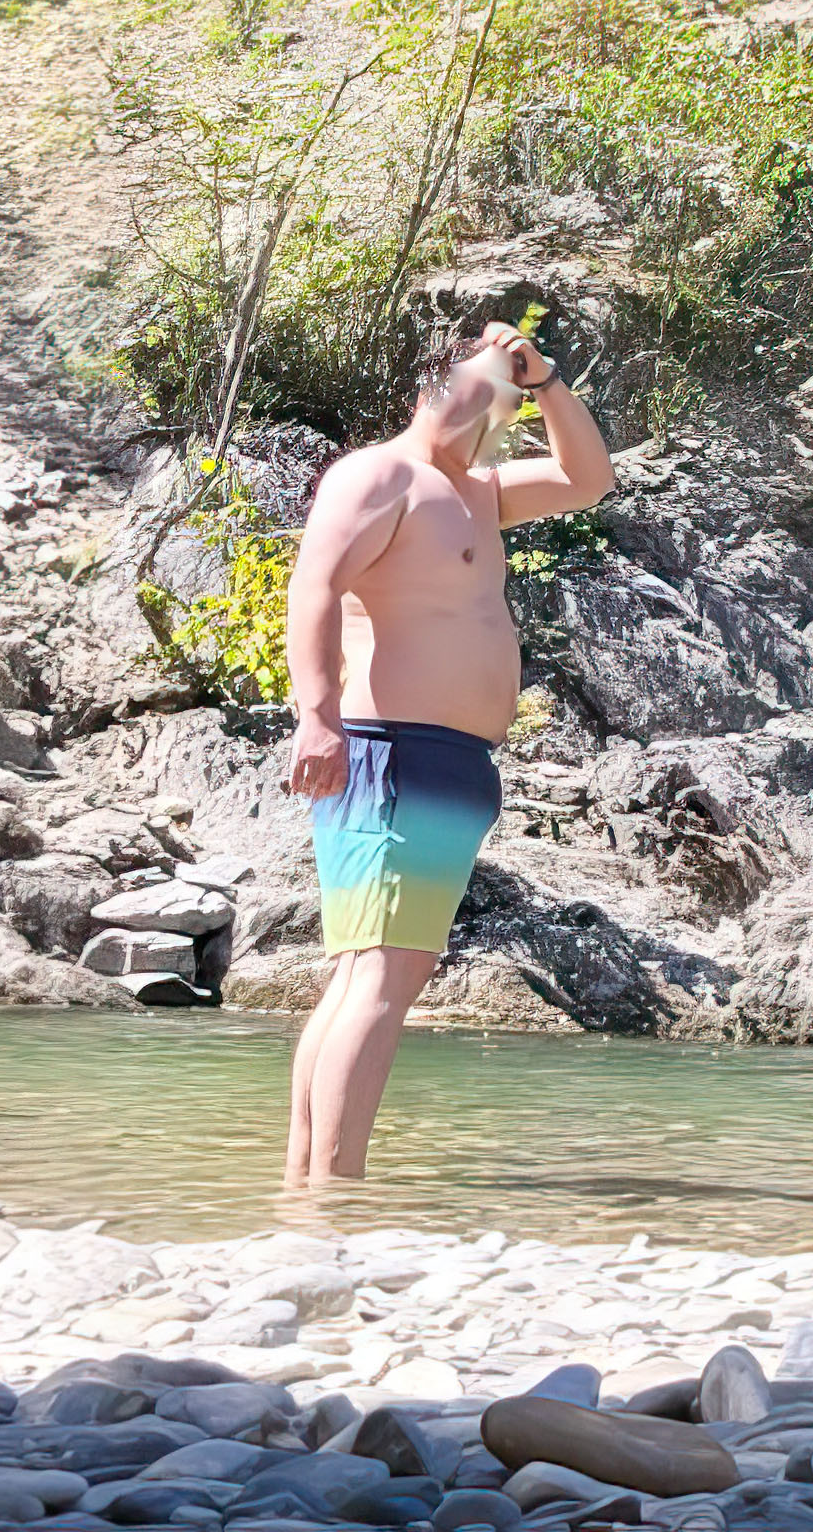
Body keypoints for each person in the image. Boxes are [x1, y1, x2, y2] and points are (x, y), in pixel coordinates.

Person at [275, 318, 613, 1184]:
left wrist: (546, 382)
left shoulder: (480, 491)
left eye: (509, 388)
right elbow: (314, 584)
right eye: (484, 372)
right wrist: (317, 716)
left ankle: (311, 1185)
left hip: (450, 762)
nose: (500, 388)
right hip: (392, 754)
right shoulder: (381, 473)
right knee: (384, 981)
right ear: (434, 384)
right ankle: (334, 1194)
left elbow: (588, 479)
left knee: (364, 976)